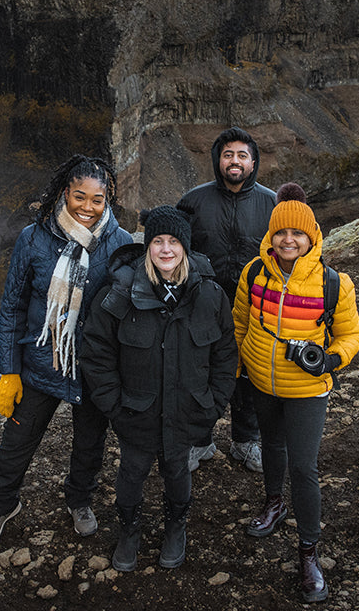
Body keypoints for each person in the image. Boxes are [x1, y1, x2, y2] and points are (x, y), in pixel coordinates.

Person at [0, 155, 133, 568]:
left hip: (94, 366)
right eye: (79, 197)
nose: (88, 207)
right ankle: (2, 506)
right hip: (42, 363)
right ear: (63, 193)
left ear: (107, 199)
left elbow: (130, 308)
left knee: (90, 443)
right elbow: (13, 307)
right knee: (18, 442)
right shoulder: (33, 239)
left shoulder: (120, 241)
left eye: (97, 199)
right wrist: (9, 371)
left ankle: (80, 500)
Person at [81, 206, 237, 571]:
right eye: (157, 241)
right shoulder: (120, 292)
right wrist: (114, 407)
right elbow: (97, 353)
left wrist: (213, 405)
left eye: (173, 241)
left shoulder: (210, 295)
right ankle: (130, 530)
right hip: (136, 412)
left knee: (177, 471)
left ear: (185, 246)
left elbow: (226, 355)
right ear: (147, 245)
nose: (166, 250)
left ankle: (175, 527)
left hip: (187, 412)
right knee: (131, 474)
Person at [232, 183, 359, 603]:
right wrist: (238, 369)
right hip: (262, 381)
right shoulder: (253, 273)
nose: (288, 240)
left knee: (304, 468)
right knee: (270, 445)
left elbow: (351, 335)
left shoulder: (333, 284)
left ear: (312, 237)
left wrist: (329, 361)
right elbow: (240, 322)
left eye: (298, 234)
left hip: (307, 389)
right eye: (280, 233)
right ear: (270, 236)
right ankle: (274, 503)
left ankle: (309, 552)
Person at [176, 126, 275, 473]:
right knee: (200, 372)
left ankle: (245, 442)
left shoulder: (271, 203)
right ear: (219, 160)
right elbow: (175, 249)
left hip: (255, 306)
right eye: (228, 154)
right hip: (203, 304)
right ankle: (200, 441)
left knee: (248, 373)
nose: (235, 161)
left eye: (242, 155)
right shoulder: (193, 200)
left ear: (253, 162)